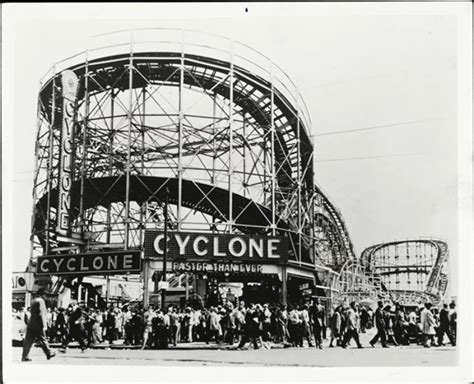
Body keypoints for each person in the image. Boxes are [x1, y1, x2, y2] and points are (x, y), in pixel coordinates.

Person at [21, 288, 56, 362]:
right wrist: (44, 325)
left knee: (28, 341)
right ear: (42, 294)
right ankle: (48, 352)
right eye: (45, 295)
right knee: (42, 338)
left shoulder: (33, 300)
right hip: (38, 323)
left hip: (31, 322)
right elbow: (41, 313)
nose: (46, 297)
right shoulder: (41, 301)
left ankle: (24, 356)